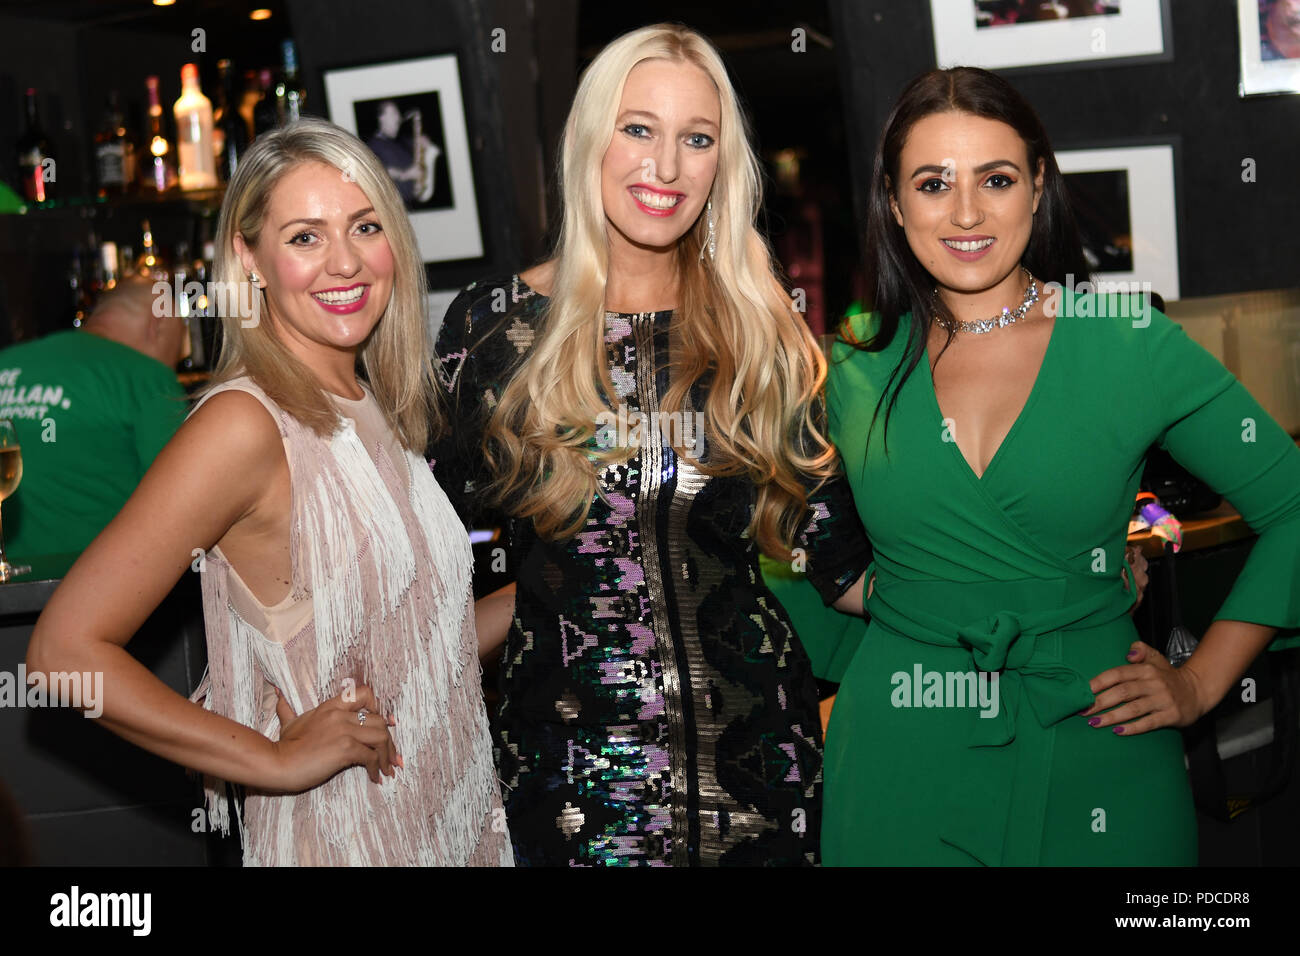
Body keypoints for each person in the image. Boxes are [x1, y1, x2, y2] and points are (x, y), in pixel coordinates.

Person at [771, 66, 1300, 866]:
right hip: (900, 755)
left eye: (997, 178)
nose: (968, 212)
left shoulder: (1125, 340)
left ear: (1037, 186)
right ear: (893, 200)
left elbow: (1291, 506)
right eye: (933, 182)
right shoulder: (848, 370)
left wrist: (1199, 684)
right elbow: (781, 542)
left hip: (1100, 742)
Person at [432, 23, 872, 866]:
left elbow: (838, 554)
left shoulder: (756, 323)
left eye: (696, 139)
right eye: (638, 129)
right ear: (590, 138)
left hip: (762, 774)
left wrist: (1045, 583)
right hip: (569, 784)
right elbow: (428, 554)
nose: (665, 168)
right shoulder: (493, 328)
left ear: (721, 162)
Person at [26, 117, 512, 866]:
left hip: (450, 823)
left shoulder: (374, 400)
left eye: (365, 226)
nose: (344, 262)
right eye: (305, 237)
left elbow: (421, 644)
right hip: (346, 840)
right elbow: (64, 653)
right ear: (249, 260)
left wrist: (548, 587)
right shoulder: (244, 425)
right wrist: (271, 758)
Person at [0, 277, 187, 560]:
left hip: (11, 589)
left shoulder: (7, 362)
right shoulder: (148, 378)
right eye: (177, 349)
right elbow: (188, 503)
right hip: (106, 590)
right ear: (156, 325)